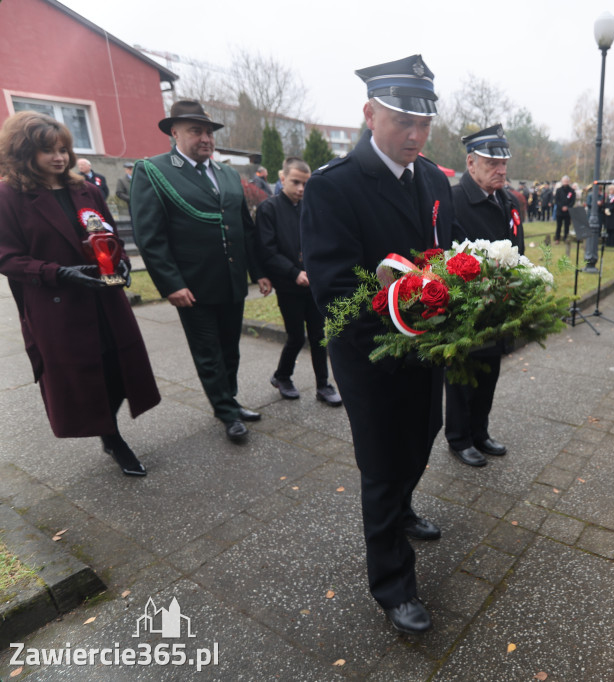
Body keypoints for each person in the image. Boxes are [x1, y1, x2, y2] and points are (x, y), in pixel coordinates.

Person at [300, 55, 455, 635]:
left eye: (423, 124)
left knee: (424, 434)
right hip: (369, 356)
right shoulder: (333, 187)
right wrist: (409, 311)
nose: (415, 135)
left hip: (427, 349)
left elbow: (443, 254)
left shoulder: (435, 179)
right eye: (401, 122)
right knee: (383, 466)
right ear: (369, 115)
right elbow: (336, 291)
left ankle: (404, 507)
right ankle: (392, 585)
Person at [0, 111, 160, 475]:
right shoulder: (9, 195)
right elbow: (6, 256)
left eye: (62, 149)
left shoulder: (83, 188)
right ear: (23, 152)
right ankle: (113, 437)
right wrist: (57, 273)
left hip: (105, 299)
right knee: (84, 377)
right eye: (47, 151)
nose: (59, 157)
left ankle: (108, 428)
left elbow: (108, 234)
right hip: (59, 306)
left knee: (121, 369)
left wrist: (119, 262)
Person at [130, 100, 272, 444]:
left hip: (231, 280)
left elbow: (244, 227)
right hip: (192, 286)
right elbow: (150, 236)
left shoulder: (225, 173)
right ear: (174, 132)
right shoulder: (154, 171)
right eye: (196, 131)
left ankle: (231, 400)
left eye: (209, 131)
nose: (205, 138)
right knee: (208, 352)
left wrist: (259, 272)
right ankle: (225, 412)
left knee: (230, 349)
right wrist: (171, 284)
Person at [445, 124, 522, 468]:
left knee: (490, 371)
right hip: (466, 305)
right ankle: (459, 438)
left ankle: (480, 431)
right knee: (463, 374)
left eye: (503, 163)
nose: (501, 170)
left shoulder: (506, 199)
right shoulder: (454, 199)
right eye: (492, 163)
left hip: (498, 303)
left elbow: (515, 248)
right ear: (471, 163)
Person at [256, 157, 341, 406]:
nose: (302, 189)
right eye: (296, 182)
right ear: (282, 179)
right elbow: (267, 250)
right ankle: (282, 376)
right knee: (295, 336)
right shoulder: (268, 209)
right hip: (288, 285)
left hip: (313, 284)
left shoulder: (310, 207)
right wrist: (294, 272)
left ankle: (323, 385)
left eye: (306, 184)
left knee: (318, 335)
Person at [554, 175, 574, 244]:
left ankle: (566, 237)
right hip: (559, 211)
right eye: (564, 181)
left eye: (566, 181)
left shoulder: (571, 191)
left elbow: (572, 201)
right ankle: (557, 238)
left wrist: (567, 207)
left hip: (567, 212)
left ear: (568, 182)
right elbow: (557, 200)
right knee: (558, 226)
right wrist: (561, 207)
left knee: (566, 226)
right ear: (562, 182)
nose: (565, 183)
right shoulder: (558, 190)